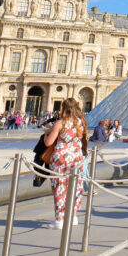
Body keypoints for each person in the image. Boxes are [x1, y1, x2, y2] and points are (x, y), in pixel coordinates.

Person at [43, 98, 87, 229]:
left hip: (61, 158)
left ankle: (59, 220)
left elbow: (48, 143)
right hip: (76, 158)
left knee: (60, 188)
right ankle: (73, 217)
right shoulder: (81, 123)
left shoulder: (60, 123)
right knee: (75, 187)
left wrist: (46, 133)